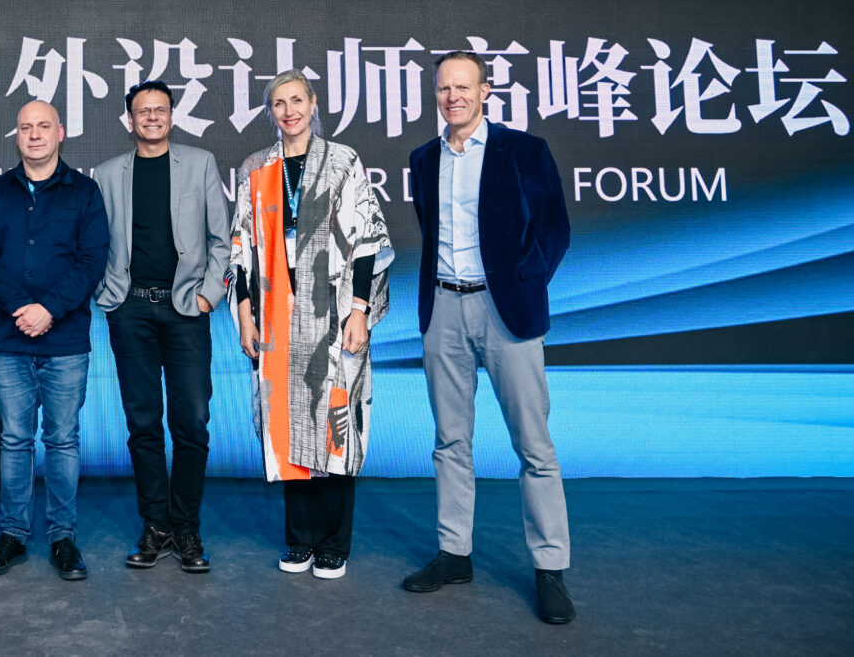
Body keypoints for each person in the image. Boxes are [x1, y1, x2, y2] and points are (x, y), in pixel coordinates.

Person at [402, 51, 575, 624]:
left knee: (534, 446)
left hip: (507, 313)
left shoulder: (525, 150)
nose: (453, 97)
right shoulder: (424, 159)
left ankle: (550, 568)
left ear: (485, 91)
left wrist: (522, 284)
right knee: (450, 441)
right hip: (443, 309)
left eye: (463, 87)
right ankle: (454, 554)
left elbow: (554, 230)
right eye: (443, 88)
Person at [230, 70, 393, 581]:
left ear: (313, 103)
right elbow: (241, 248)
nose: (289, 111)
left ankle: (333, 544)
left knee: (335, 425)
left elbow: (367, 241)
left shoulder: (343, 161)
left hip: (336, 315)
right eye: (278, 103)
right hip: (276, 318)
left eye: (296, 100)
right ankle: (299, 539)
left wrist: (360, 309)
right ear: (270, 112)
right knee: (287, 426)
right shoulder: (256, 167)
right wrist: (244, 314)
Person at [94, 80, 231, 573]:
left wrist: (208, 296)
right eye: (142, 111)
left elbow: (222, 240)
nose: (152, 117)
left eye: (160, 109)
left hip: (186, 310)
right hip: (129, 310)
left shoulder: (200, 163)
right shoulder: (106, 173)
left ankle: (186, 527)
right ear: (129, 119)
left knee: (192, 422)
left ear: (172, 115)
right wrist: (105, 295)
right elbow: (93, 242)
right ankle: (156, 526)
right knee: (143, 424)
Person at [0, 100, 109, 581]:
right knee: (14, 440)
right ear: (17, 135)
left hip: (65, 338)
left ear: (60, 133)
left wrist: (49, 309)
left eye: (43, 126)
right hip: (8, 338)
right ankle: (12, 535)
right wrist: (21, 308)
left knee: (63, 440)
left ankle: (62, 537)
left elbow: (92, 261)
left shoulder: (85, 192)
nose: (34, 135)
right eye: (26, 127)